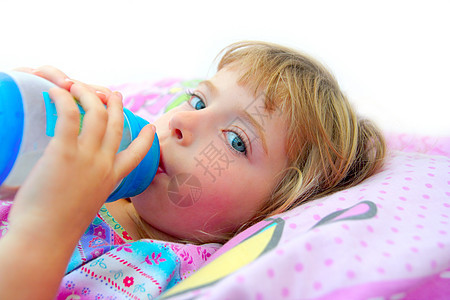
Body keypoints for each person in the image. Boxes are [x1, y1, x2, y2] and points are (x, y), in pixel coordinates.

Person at [0, 41, 385, 298]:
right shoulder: (88, 164)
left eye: (236, 141)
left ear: (272, 210)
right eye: (199, 102)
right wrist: (33, 114)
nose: (184, 121)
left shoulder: (169, 273)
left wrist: (47, 228)